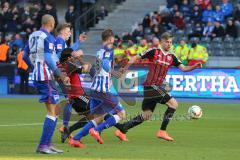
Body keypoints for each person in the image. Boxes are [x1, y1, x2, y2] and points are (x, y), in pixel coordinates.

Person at [115, 32, 202, 141]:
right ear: (161, 42)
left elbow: (183, 68)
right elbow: (136, 57)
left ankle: (122, 129)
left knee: (147, 114)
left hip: (155, 88)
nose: (169, 44)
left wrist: (194, 66)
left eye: (171, 42)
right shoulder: (154, 51)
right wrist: (125, 68)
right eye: (167, 42)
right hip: (151, 86)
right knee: (173, 103)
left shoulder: (172, 56)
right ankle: (162, 131)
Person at [68, 29, 126, 148]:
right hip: (102, 90)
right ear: (110, 39)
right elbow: (105, 64)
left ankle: (75, 138)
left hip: (94, 89)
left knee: (98, 118)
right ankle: (96, 130)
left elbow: (96, 70)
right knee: (121, 113)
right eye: (113, 39)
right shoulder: (108, 51)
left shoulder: (99, 51)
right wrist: (113, 72)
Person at [23, 14, 70, 154]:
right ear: (51, 24)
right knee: (53, 112)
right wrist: (60, 74)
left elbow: (24, 56)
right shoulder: (48, 37)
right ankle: (43, 146)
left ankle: (47, 144)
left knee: (54, 111)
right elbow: (49, 58)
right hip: (45, 77)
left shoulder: (33, 36)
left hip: (39, 75)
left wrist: (34, 67)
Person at [54, 23, 88, 132]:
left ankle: (65, 127)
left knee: (70, 100)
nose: (69, 34)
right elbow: (61, 55)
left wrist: (78, 42)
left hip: (62, 73)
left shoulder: (62, 42)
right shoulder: (59, 41)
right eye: (68, 31)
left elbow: (68, 51)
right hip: (62, 73)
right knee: (69, 99)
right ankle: (65, 127)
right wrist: (76, 54)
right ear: (62, 31)